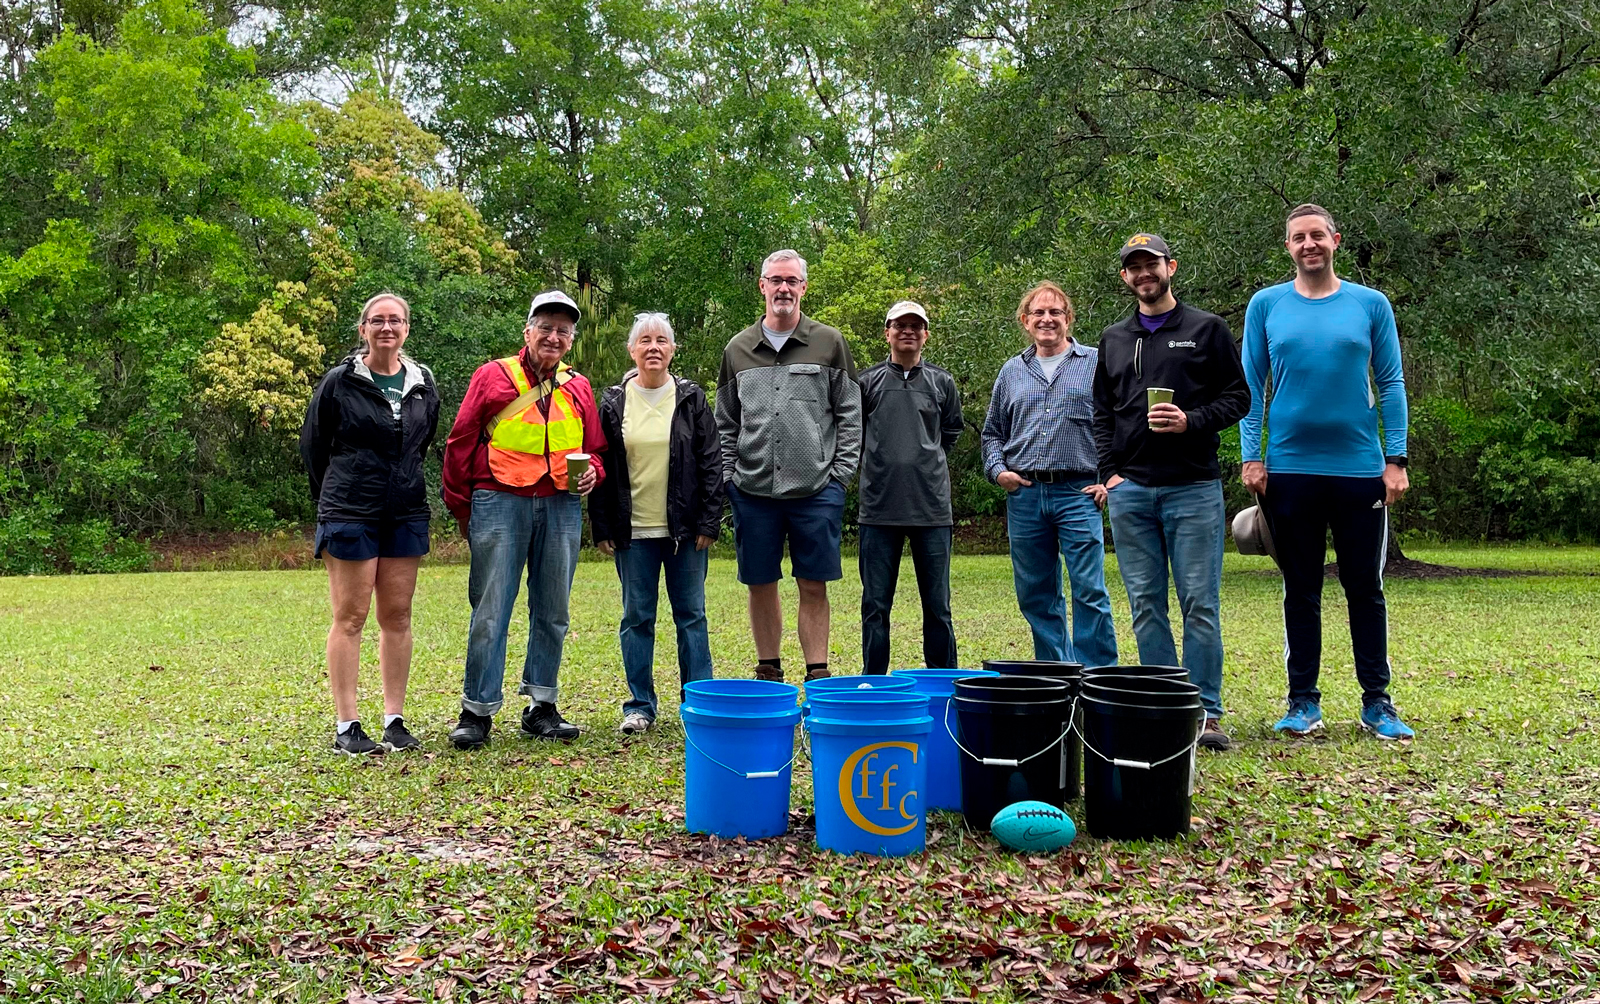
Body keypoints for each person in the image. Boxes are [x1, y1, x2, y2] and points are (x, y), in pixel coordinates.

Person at [1241, 203, 1415, 740]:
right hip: (1290, 470)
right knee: (1301, 588)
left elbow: (1390, 383)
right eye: (1299, 237)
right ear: (1288, 246)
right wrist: (1252, 456)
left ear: (1335, 240)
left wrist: (1395, 458)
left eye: (1318, 235)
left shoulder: (1370, 304)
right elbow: (1250, 388)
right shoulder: (1266, 305)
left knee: (1366, 587)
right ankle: (1302, 702)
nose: (1309, 244)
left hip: (1360, 471)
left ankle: (1378, 703)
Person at [1093, 234, 1250, 751]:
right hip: (1132, 492)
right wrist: (1109, 470)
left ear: (1170, 268)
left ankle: (1205, 713)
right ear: (1125, 277)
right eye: (1134, 267)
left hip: (1193, 489)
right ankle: (1164, 705)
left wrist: (1191, 421)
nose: (1144, 274)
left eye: (1152, 264)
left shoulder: (1207, 329)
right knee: (1144, 604)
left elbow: (1238, 398)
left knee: (1199, 603)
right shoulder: (1114, 338)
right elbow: (1101, 412)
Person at [440, 290, 607, 748]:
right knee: (491, 608)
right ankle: (476, 711)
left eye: (563, 331)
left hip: (561, 503)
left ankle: (542, 706)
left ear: (571, 339)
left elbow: (595, 449)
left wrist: (595, 472)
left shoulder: (579, 386)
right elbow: (459, 444)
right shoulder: (492, 376)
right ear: (527, 331)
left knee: (554, 609)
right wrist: (463, 508)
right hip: (499, 500)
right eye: (546, 327)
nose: (554, 337)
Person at [299, 292, 441, 755]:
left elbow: (420, 446)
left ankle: (394, 720)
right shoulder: (340, 382)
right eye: (377, 321)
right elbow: (314, 448)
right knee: (351, 617)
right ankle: (347, 726)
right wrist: (335, 499)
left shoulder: (424, 383)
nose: (387, 328)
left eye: (395, 321)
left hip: (404, 510)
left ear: (406, 329)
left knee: (396, 616)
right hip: (349, 511)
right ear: (363, 330)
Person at [715, 249, 862, 683]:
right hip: (752, 490)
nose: (783, 288)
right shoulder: (737, 349)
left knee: (813, 584)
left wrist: (840, 477)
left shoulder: (829, 343)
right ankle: (769, 670)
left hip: (817, 489)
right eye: (775, 280)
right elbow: (725, 419)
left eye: (792, 281)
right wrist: (729, 478)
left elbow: (851, 414)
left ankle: (817, 673)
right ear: (762, 286)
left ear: (803, 287)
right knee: (760, 583)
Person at [591, 312, 723, 734]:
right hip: (633, 533)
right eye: (644, 340)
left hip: (684, 531)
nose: (653, 347)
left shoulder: (691, 398)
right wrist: (603, 526)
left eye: (661, 340)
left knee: (692, 616)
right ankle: (639, 706)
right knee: (637, 618)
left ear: (672, 350)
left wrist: (708, 520)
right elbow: (599, 464)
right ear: (632, 350)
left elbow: (710, 463)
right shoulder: (612, 402)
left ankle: (698, 702)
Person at [981, 281, 1118, 668]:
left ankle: (1097, 680)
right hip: (1025, 494)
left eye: (1055, 312)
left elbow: (1118, 424)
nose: (1047, 319)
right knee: (1036, 593)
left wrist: (1110, 478)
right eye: (1038, 313)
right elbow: (992, 432)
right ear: (1025, 321)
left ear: (1068, 319)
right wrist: (999, 471)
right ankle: (1057, 676)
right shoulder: (1012, 371)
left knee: (1089, 590)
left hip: (1079, 492)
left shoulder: (1095, 363)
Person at [856, 300, 964, 675]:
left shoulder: (942, 382)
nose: (907, 331)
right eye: (899, 325)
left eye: (915, 326)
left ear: (925, 335)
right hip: (878, 508)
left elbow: (950, 432)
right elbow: (854, 435)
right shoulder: (866, 383)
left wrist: (923, 461)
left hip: (931, 509)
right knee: (875, 605)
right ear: (887, 333)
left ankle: (943, 682)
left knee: (938, 606)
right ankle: (875, 682)